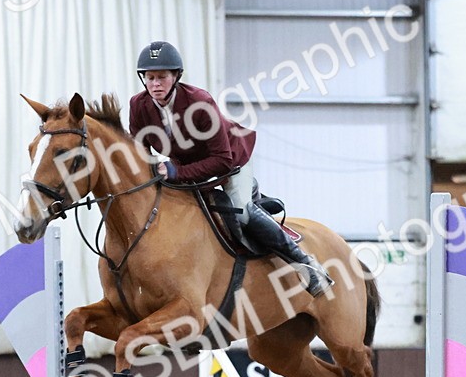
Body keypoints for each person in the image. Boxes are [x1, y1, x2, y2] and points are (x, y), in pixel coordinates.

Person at [127, 41, 333, 297]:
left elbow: (221, 159)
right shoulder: (138, 105)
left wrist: (176, 172)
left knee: (243, 214)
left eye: (161, 77)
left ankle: (306, 264)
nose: (155, 84)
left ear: (176, 77)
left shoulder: (199, 102)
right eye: (149, 77)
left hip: (232, 162)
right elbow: (139, 150)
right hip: (187, 165)